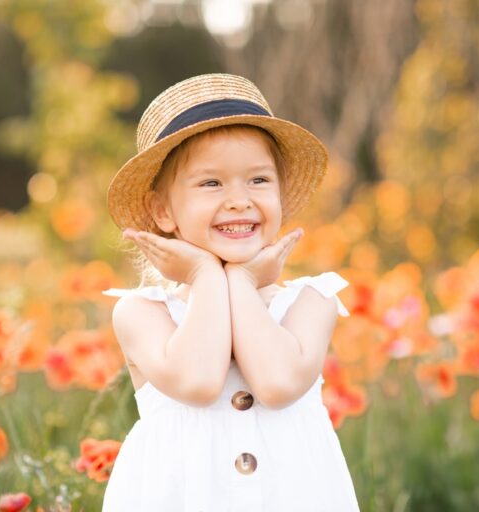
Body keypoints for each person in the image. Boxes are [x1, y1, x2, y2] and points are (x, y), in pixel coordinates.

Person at [100, 73, 360, 511]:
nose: (239, 200)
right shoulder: (144, 313)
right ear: (163, 211)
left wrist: (239, 280)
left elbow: (278, 383)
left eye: (258, 180)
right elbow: (198, 381)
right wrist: (205, 276)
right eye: (211, 183)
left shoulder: (311, 301)